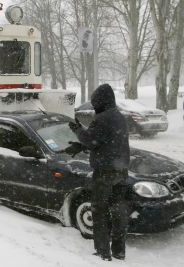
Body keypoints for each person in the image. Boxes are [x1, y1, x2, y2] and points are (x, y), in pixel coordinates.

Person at [68, 84, 130, 261]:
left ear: (101, 102)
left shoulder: (102, 118)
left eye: (95, 103)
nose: (94, 107)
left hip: (105, 172)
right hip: (121, 170)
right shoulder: (118, 116)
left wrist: (77, 129)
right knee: (119, 212)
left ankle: (103, 252)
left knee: (99, 211)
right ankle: (119, 251)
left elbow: (91, 139)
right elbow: (105, 141)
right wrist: (82, 145)